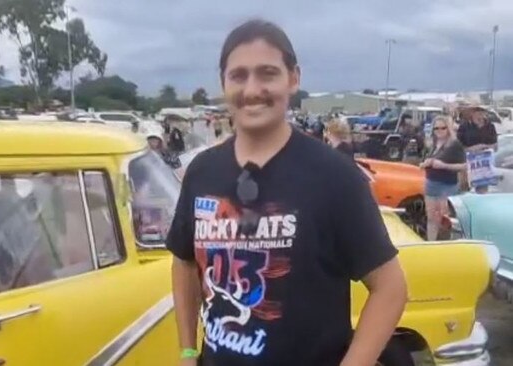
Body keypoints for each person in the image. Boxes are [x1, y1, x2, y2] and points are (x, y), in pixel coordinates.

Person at [167, 19, 407, 366]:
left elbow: (390, 288)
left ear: (293, 78)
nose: (252, 89)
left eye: (267, 73)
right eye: (239, 75)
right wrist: (188, 352)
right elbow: (184, 261)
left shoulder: (334, 176)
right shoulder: (203, 172)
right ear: (223, 83)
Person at [420, 116, 466, 241]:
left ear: (448, 129)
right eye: (436, 128)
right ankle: (430, 245)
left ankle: (446, 244)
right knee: (431, 217)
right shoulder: (432, 144)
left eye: (443, 128)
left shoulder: (454, 144)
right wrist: (426, 163)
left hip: (447, 185)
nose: (439, 131)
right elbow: (423, 161)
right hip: (431, 183)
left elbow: (463, 166)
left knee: (445, 219)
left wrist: (443, 165)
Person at [457, 107, 497, 193]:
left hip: (484, 164)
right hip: (467, 163)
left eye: (481, 111)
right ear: (472, 113)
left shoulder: (490, 126)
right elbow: (458, 146)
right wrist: (471, 149)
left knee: (482, 190)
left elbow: (495, 145)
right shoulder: (464, 127)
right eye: (477, 111)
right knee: (464, 188)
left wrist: (484, 146)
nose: (480, 114)